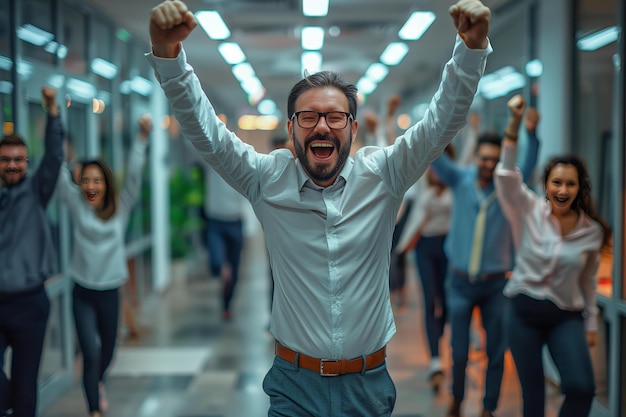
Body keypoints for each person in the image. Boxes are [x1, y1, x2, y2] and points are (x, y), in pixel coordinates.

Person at [146, 0, 491, 414]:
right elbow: (207, 135)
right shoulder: (266, 180)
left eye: (335, 117)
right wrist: (170, 60)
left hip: (367, 386)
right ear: (291, 130)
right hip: (295, 386)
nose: (322, 126)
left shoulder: (385, 175)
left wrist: (469, 51)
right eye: (308, 117)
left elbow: (441, 123)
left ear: (353, 129)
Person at [495, 95, 607, 417]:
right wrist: (514, 125)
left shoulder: (592, 231)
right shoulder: (527, 210)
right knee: (534, 399)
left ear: (579, 188)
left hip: (565, 315)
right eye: (557, 182)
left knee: (581, 387)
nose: (563, 190)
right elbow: (505, 177)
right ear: (546, 185)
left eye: (570, 184)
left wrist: (592, 325)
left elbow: (587, 281)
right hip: (522, 312)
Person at [430, 97, 540, 416]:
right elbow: (435, 157)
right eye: (485, 158)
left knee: (496, 350)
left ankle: (488, 407)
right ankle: (457, 398)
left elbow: (529, 166)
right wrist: (440, 120)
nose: (490, 164)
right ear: (476, 157)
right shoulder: (459, 180)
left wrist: (531, 134)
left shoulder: (508, 189)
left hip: (495, 286)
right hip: (460, 283)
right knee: (460, 351)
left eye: (495, 159)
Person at [55, 116, 151, 417]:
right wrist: (55, 128)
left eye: (97, 180)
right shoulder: (75, 203)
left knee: (107, 353)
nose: (91, 186)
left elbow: (134, 176)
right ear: (80, 184)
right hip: (82, 290)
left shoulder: (119, 209)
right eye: (85, 180)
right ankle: (94, 409)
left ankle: (98, 383)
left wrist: (142, 138)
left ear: (105, 183)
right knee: (91, 352)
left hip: (110, 291)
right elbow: (57, 174)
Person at [0, 87, 64, 417]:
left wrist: (53, 112)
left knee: (26, 386)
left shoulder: (36, 192)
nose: (12, 166)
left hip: (29, 303)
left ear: (26, 163)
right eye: (6, 160)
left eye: (18, 160)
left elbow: (54, 156)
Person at [396, 145, 455, 393]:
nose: (436, 170)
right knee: (431, 301)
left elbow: (465, 156)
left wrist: (472, 132)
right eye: (433, 165)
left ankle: (438, 338)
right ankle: (435, 359)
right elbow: (400, 156)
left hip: (449, 248)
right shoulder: (422, 185)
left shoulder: (456, 184)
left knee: (449, 305)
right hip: (425, 249)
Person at [204, 163, 249, 320]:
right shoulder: (211, 160)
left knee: (234, 269)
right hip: (215, 221)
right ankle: (223, 269)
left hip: (235, 221)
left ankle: (226, 305)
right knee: (218, 262)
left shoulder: (239, 164)